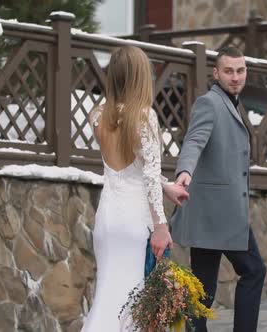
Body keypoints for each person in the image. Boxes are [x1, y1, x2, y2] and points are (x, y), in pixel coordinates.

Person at [81, 45, 189, 332]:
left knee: (106, 299)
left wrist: (166, 187)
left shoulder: (97, 115)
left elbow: (130, 171)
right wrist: (162, 227)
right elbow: (149, 175)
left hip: (107, 219)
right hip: (134, 221)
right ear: (140, 76)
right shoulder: (144, 117)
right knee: (132, 306)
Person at [171, 46, 266, 332]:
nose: (235, 77)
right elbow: (194, 140)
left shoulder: (232, 103)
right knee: (253, 270)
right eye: (229, 71)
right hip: (219, 213)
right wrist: (185, 170)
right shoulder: (209, 103)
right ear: (216, 73)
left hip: (213, 213)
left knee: (203, 288)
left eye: (240, 70)